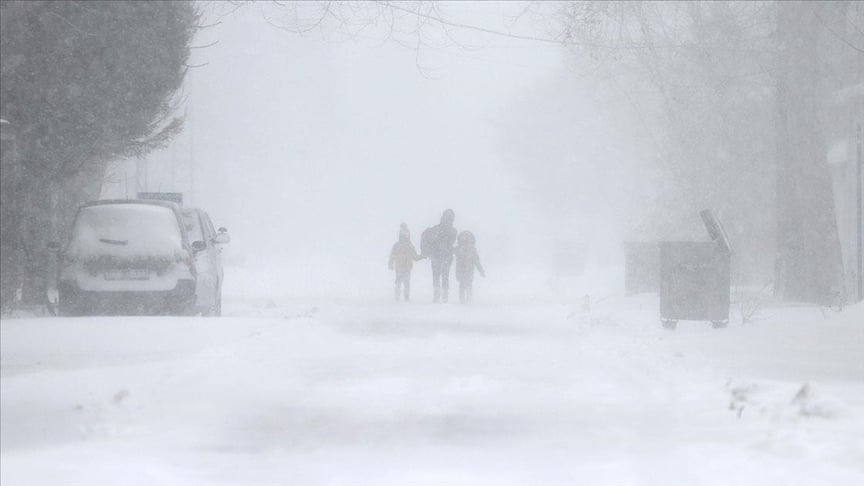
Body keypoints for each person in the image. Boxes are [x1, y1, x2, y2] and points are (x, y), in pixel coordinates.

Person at [421, 209, 458, 303]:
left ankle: (437, 295)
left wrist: (428, 252)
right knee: (445, 276)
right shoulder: (452, 231)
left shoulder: (435, 229)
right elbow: (451, 242)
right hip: (445, 257)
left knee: (437, 276)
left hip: (436, 257)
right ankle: (444, 296)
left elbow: (429, 239)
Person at [388, 223, 423, 301]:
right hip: (404, 267)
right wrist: (422, 256)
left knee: (400, 283)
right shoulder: (408, 245)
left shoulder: (400, 245)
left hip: (402, 267)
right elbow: (415, 257)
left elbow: (393, 255)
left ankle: (400, 298)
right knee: (404, 283)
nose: (405, 236)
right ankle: (403, 298)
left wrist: (390, 263)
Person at [454, 230, 485, 303]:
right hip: (466, 270)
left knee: (464, 284)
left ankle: (466, 300)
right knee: (466, 284)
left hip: (464, 271)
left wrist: (481, 271)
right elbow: (477, 262)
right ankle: (466, 300)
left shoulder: (459, 250)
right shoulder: (470, 250)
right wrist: (481, 271)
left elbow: (477, 262)